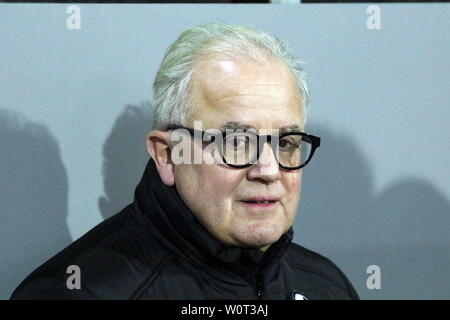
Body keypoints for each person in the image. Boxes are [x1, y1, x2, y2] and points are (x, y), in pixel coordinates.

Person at [11, 23, 359, 300]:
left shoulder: (326, 285)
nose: (268, 170)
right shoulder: (81, 291)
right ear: (167, 154)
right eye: (236, 142)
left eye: (285, 142)